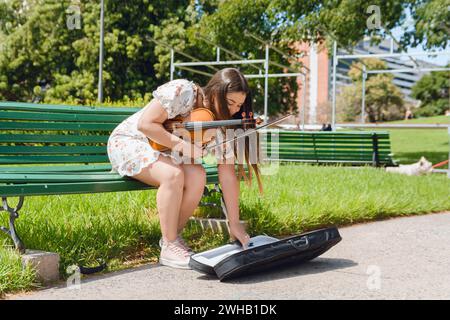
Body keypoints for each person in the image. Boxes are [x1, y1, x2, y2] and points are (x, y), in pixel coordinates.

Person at [107, 68, 263, 269]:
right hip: (130, 143)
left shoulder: (221, 126)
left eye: (239, 105)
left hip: (166, 154)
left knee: (198, 175)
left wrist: (234, 223)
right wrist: (183, 146)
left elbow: (228, 176)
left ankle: (171, 238)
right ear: (214, 91)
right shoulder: (184, 91)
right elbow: (146, 124)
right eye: (230, 102)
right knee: (173, 174)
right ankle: (170, 246)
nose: (233, 111)